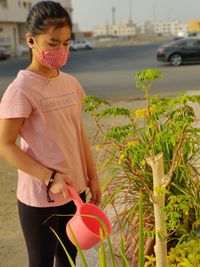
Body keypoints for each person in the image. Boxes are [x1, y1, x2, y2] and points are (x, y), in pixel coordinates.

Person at [0, 1, 101, 266]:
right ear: (31, 40)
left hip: (74, 192)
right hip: (40, 198)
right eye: (53, 43)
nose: (61, 50)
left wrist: (92, 176)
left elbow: (78, 134)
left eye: (66, 43)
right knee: (42, 262)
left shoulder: (71, 84)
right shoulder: (20, 90)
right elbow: (5, 145)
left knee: (68, 258)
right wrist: (49, 177)